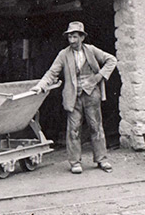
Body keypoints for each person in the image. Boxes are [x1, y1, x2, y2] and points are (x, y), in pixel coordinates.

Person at [31, 22, 117, 174]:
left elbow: (111, 60)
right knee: (73, 130)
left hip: (92, 95)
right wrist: (40, 86)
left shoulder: (91, 50)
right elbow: (52, 72)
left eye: (75, 36)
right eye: (70, 36)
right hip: (73, 97)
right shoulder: (63, 54)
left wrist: (98, 77)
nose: (72, 40)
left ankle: (102, 159)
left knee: (96, 126)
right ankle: (75, 162)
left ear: (82, 37)